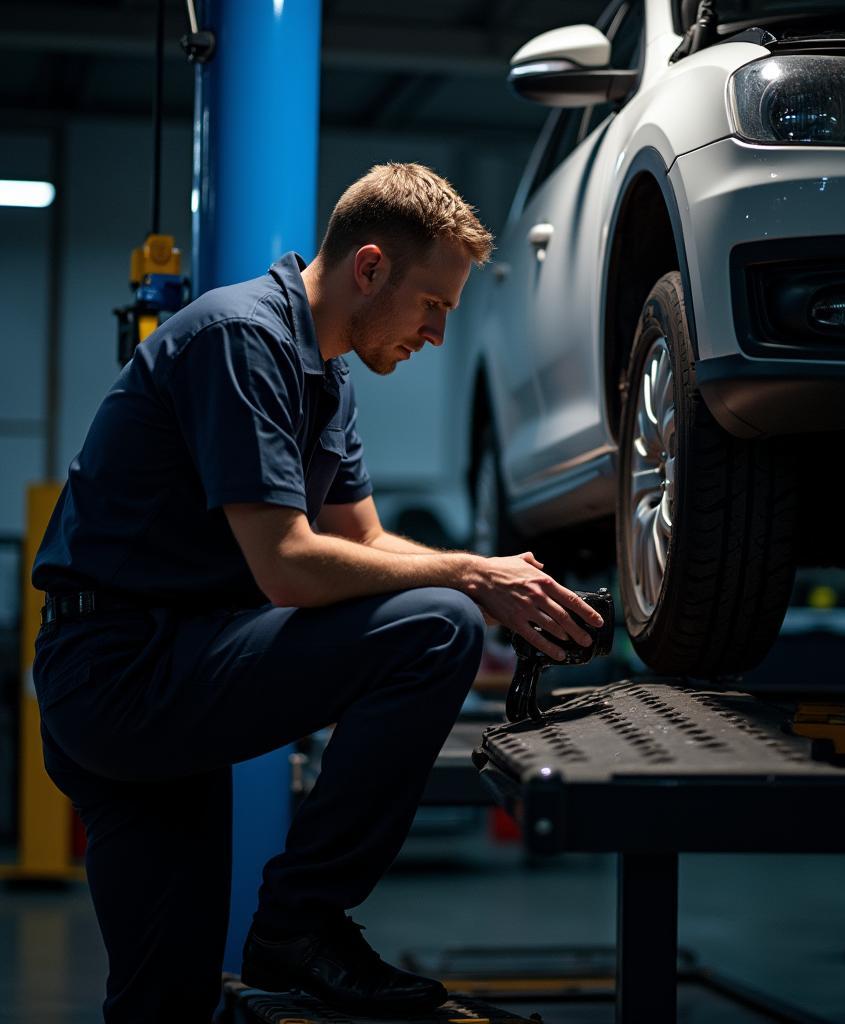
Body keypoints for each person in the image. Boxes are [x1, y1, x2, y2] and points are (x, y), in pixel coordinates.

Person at [31, 162, 604, 1023]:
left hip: (163, 669)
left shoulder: (325, 374)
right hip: (122, 669)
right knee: (439, 626)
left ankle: (289, 931)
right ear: (369, 269)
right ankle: (304, 924)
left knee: (164, 1002)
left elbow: (363, 543)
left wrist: (491, 576)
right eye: (433, 307)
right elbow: (289, 568)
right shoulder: (241, 338)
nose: (438, 336)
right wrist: (469, 578)